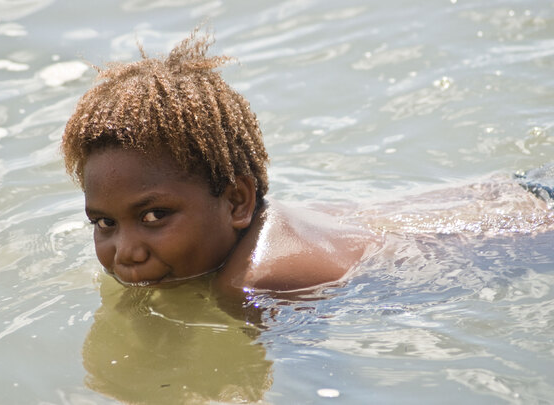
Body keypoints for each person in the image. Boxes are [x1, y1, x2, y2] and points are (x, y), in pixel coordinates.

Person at [62, 28, 553, 297]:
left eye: (153, 216)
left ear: (237, 200)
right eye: (104, 223)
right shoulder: (269, 227)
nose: (125, 251)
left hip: (534, 230)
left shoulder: (256, 282)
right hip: (513, 196)